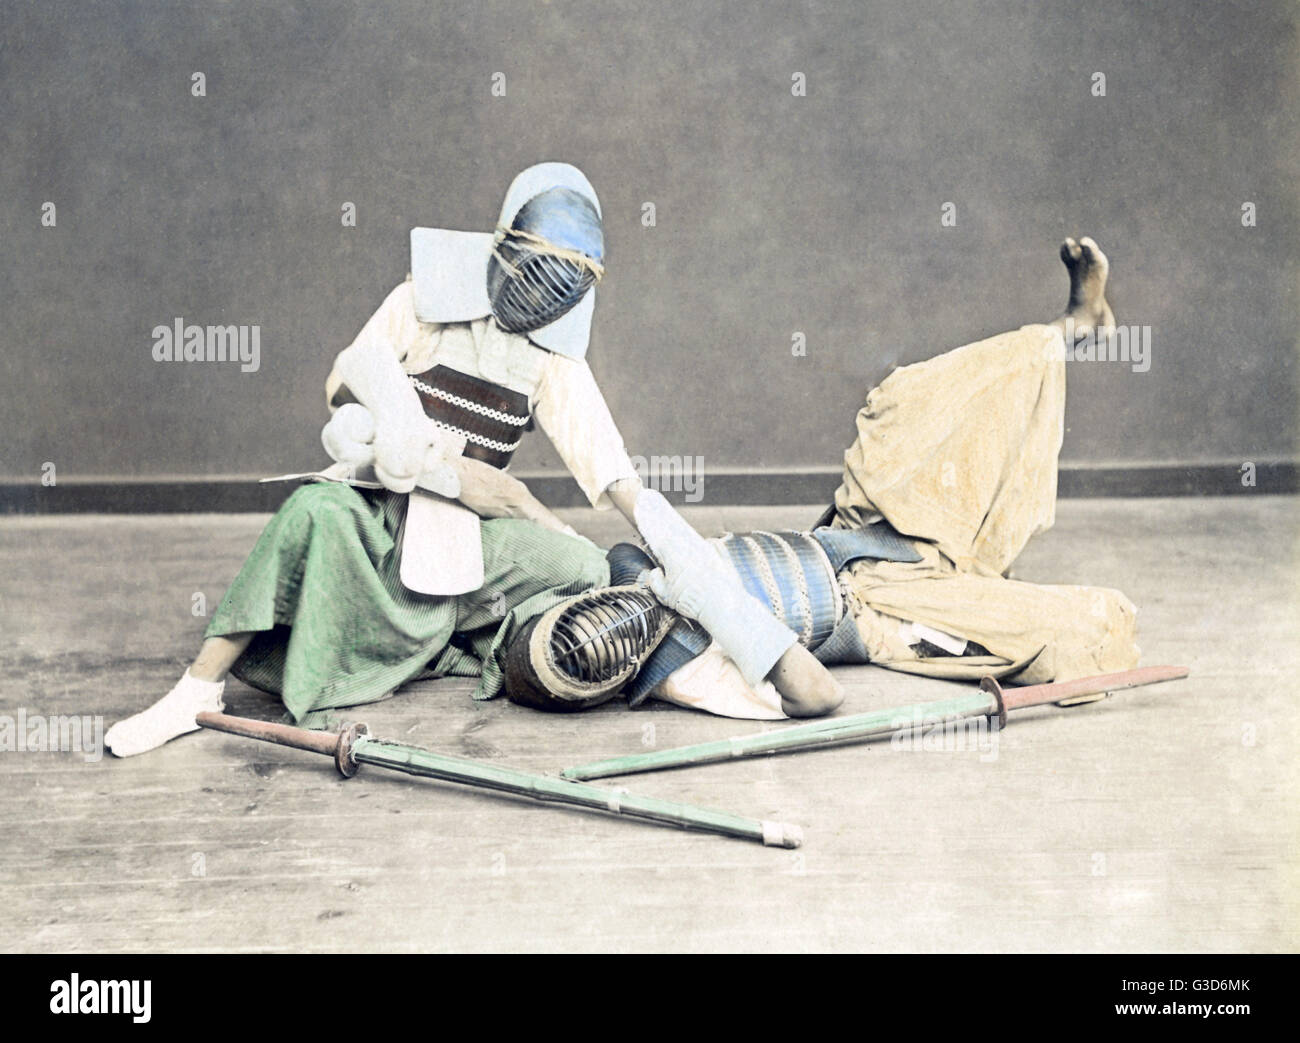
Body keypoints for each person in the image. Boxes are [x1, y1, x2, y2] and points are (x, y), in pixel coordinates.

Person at [104, 163, 840, 757]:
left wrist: (680, 555)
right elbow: (343, 384)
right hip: (376, 505)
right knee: (309, 510)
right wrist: (419, 446)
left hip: (464, 529)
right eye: (535, 269)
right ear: (503, 247)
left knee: (581, 568)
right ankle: (196, 689)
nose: (542, 292)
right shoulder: (421, 301)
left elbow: (612, 470)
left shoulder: (552, 357)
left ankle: (441, 639)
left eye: (563, 281)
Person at [504, 236, 1141, 719]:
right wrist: (709, 603)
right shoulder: (683, 675)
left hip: (849, 537)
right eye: (596, 665)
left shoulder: (614, 568)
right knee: (1086, 632)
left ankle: (1073, 329)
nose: (612, 632)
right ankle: (980, 591)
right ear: (607, 691)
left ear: (579, 605)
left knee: (908, 399)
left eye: (584, 626)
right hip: (878, 611)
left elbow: (516, 511)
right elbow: (818, 694)